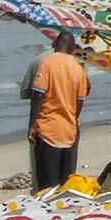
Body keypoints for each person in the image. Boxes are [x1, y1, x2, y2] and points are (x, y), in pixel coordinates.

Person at [27, 31, 88, 192]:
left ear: (55, 44)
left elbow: (38, 95)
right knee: (65, 184)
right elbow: (80, 101)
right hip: (69, 131)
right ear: (73, 48)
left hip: (48, 129)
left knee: (47, 186)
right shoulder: (78, 68)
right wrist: (72, 120)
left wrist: (32, 125)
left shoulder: (47, 63)